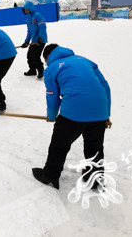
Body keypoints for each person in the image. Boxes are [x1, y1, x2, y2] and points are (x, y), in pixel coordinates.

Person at [32, 44, 111, 190]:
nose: (46, 64)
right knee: (95, 147)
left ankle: (50, 175)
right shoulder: (86, 61)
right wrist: (106, 114)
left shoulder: (51, 68)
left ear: (48, 57)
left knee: (59, 145)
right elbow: (105, 86)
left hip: (74, 112)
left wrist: (51, 115)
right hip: (99, 110)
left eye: (45, 61)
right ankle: (94, 179)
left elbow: (52, 95)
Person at [21, 1, 47, 79]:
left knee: (35, 57)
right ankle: (32, 70)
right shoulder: (28, 19)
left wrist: (40, 38)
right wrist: (26, 42)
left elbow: (43, 27)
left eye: (27, 9)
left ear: (30, 9)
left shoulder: (37, 16)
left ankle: (41, 71)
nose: (25, 11)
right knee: (29, 56)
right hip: (33, 41)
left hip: (40, 41)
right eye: (24, 9)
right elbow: (29, 31)